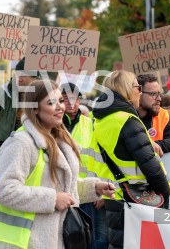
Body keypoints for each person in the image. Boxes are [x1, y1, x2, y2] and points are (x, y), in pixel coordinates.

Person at [0, 79, 115, 248]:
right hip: (23, 241)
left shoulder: (58, 139)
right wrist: (52, 199)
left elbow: (63, 188)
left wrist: (94, 188)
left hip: (51, 237)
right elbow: (4, 191)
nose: (60, 107)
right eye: (51, 103)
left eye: (60, 101)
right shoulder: (21, 142)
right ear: (35, 108)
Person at [90, 70, 170, 249]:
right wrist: (165, 198)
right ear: (126, 89)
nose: (140, 92)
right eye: (137, 87)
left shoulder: (101, 119)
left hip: (117, 196)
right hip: (138, 199)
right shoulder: (127, 120)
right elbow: (152, 168)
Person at [60, 82, 107, 249]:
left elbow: (104, 159)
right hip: (61, 194)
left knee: (90, 241)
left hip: (88, 195)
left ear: (80, 101)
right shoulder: (53, 126)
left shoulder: (92, 125)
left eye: (75, 98)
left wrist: (101, 192)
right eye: (65, 99)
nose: (71, 103)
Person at [0, 57, 38, 164]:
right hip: (6, 148)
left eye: (24, 75)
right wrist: (0, 131)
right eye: (17, 74)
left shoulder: (43, 95)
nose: (19, 79)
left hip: (34, 149)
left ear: (35, 78)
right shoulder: (3, 92)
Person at [136, 74, 170, 156]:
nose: (159, 99)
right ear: (139, 93)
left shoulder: (162, 114)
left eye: (159, 94)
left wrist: (151, 146)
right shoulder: (127, 115)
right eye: (153, 94)